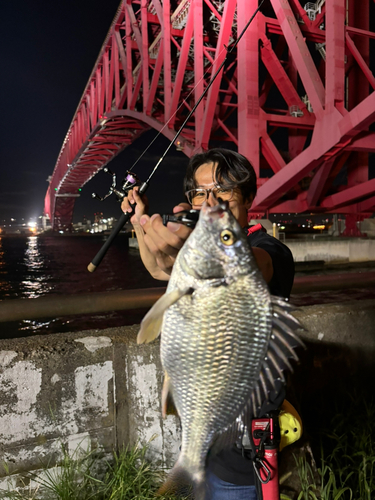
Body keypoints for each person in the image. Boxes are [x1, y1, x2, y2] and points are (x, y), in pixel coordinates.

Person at [121, 148, 295, 500]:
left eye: (223, 189)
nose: (210, 200)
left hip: (245, 452)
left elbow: (255, 265)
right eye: (200, 193)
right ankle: (190, 468)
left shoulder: (269, 251)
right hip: (205, 427)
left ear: (248, 196)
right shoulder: (200, 252)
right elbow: (158, 268)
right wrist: (140, 223)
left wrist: (219, 243)